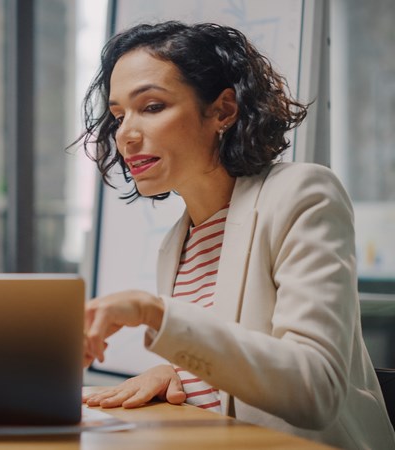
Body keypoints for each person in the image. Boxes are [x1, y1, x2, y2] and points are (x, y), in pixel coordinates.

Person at [77, 21, 395, 449]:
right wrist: (178, 373)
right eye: (118, 116)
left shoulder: (303, 194)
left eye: (151, 107)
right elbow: (231, 366)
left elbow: (314, 388)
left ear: (223, 111)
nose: (126, 135)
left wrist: (156, 314)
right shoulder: (178, 242)